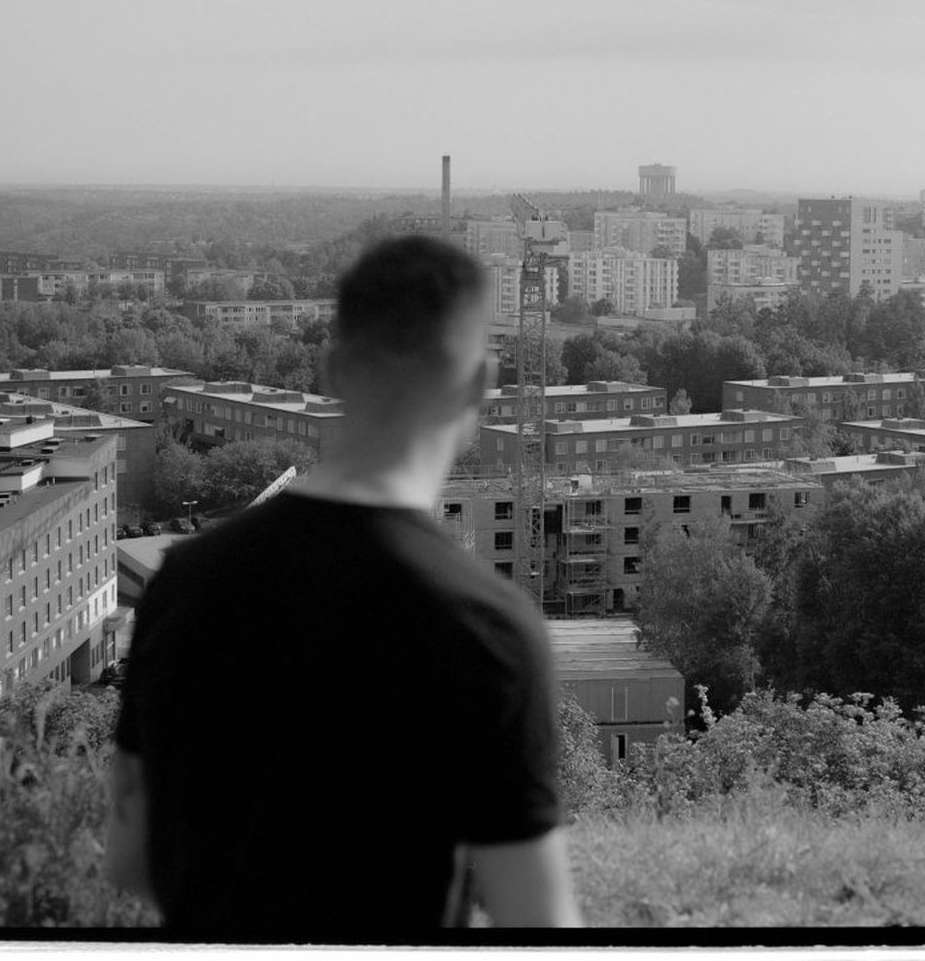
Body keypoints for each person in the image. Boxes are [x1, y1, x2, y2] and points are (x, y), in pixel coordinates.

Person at [106, 235, 581, 939]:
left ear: (331, 370)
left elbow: (131, 863)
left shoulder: (182, 583)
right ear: (479, 387)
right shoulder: (486, 627)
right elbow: (533, 920)